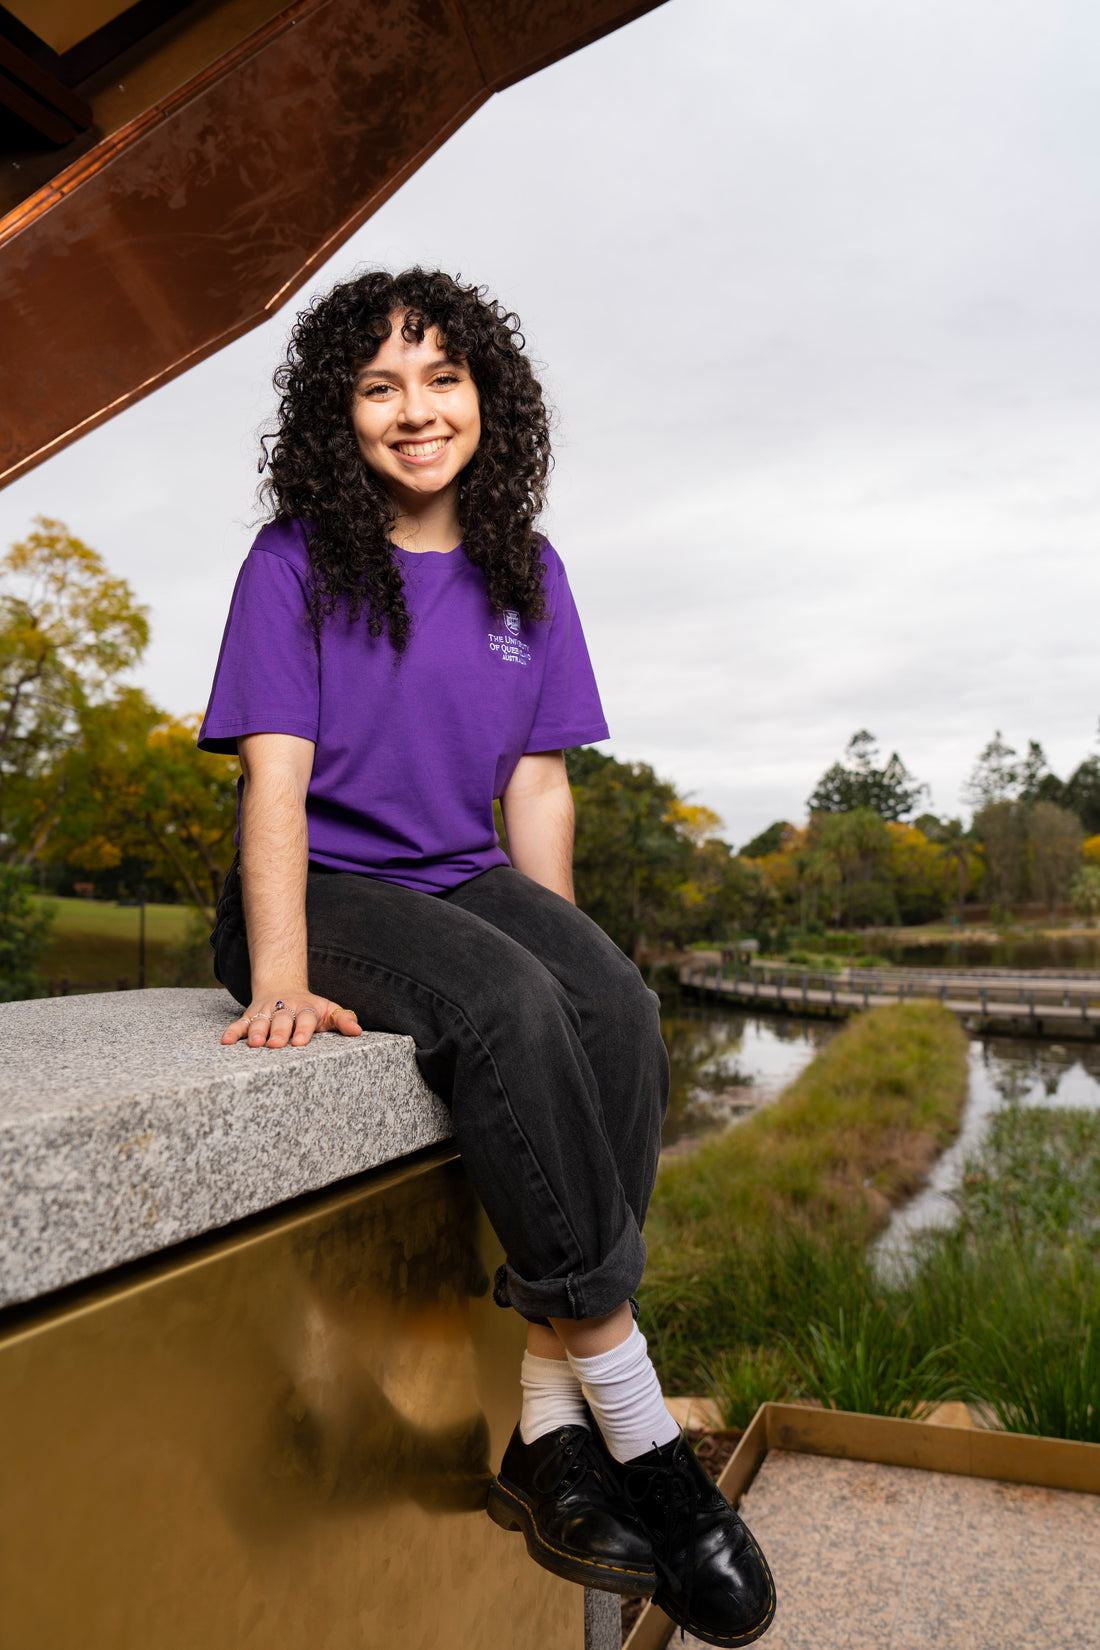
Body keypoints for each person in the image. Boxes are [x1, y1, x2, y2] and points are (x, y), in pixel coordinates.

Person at [199, 268, 774, 1646]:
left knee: (613, 1006)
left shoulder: (530, 567)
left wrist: (569, 949)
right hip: (323, 889)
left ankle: (540, 1414)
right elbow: (272, 782)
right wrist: (279, 968)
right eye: (380, 384)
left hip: (459, 876)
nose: (415, 409)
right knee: (510, 1002)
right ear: (338, 414)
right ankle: (638, 1423)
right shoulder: (293, 562)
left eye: (442, 378)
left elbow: (538, 790)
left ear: (487, 400)